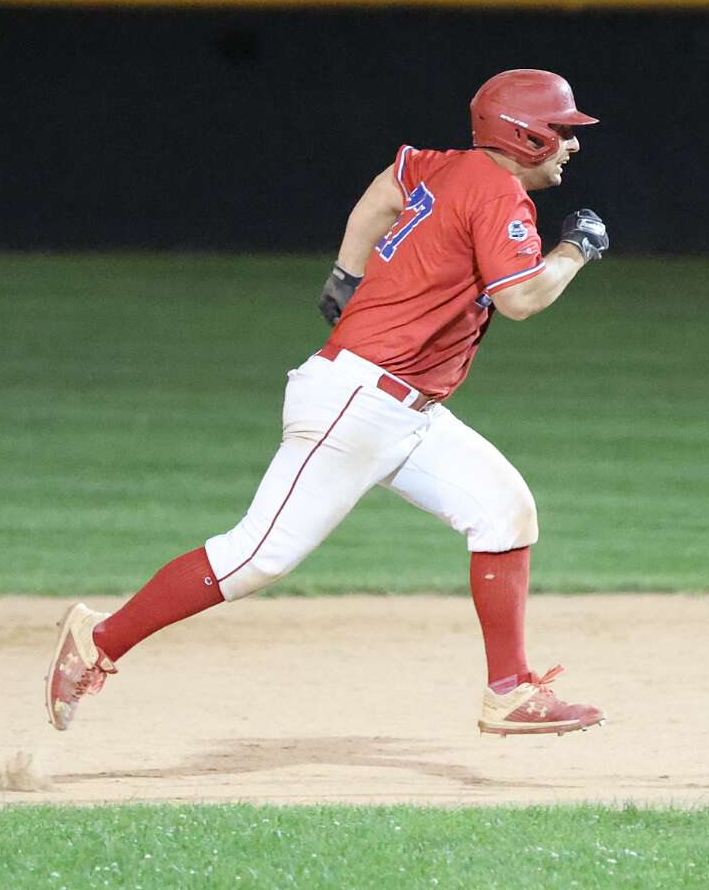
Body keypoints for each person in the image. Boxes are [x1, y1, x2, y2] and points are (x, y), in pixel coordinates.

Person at [47, 68, 612, 737]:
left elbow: (386, 188)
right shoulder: (498, 194)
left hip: (404, 409)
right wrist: (576, 249)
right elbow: (519, 297)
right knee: (255, 556)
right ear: (525, 136)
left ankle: (510, 691)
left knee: (503, 510)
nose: (573, 144)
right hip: (359, 402)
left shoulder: (446, 167)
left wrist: (347, 269)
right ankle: (98, 639)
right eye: (562, 131)